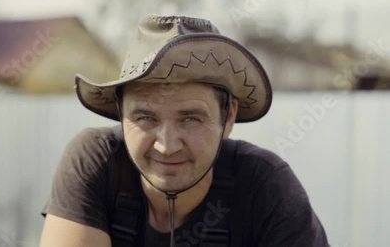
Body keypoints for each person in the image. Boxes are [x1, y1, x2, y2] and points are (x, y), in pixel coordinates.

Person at [39, 15, 329, 247]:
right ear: (120, 112)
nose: (167, 145)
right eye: (145, 117)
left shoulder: (265, 186)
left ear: (228, 118)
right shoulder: (97, 162)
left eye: (190, 119)